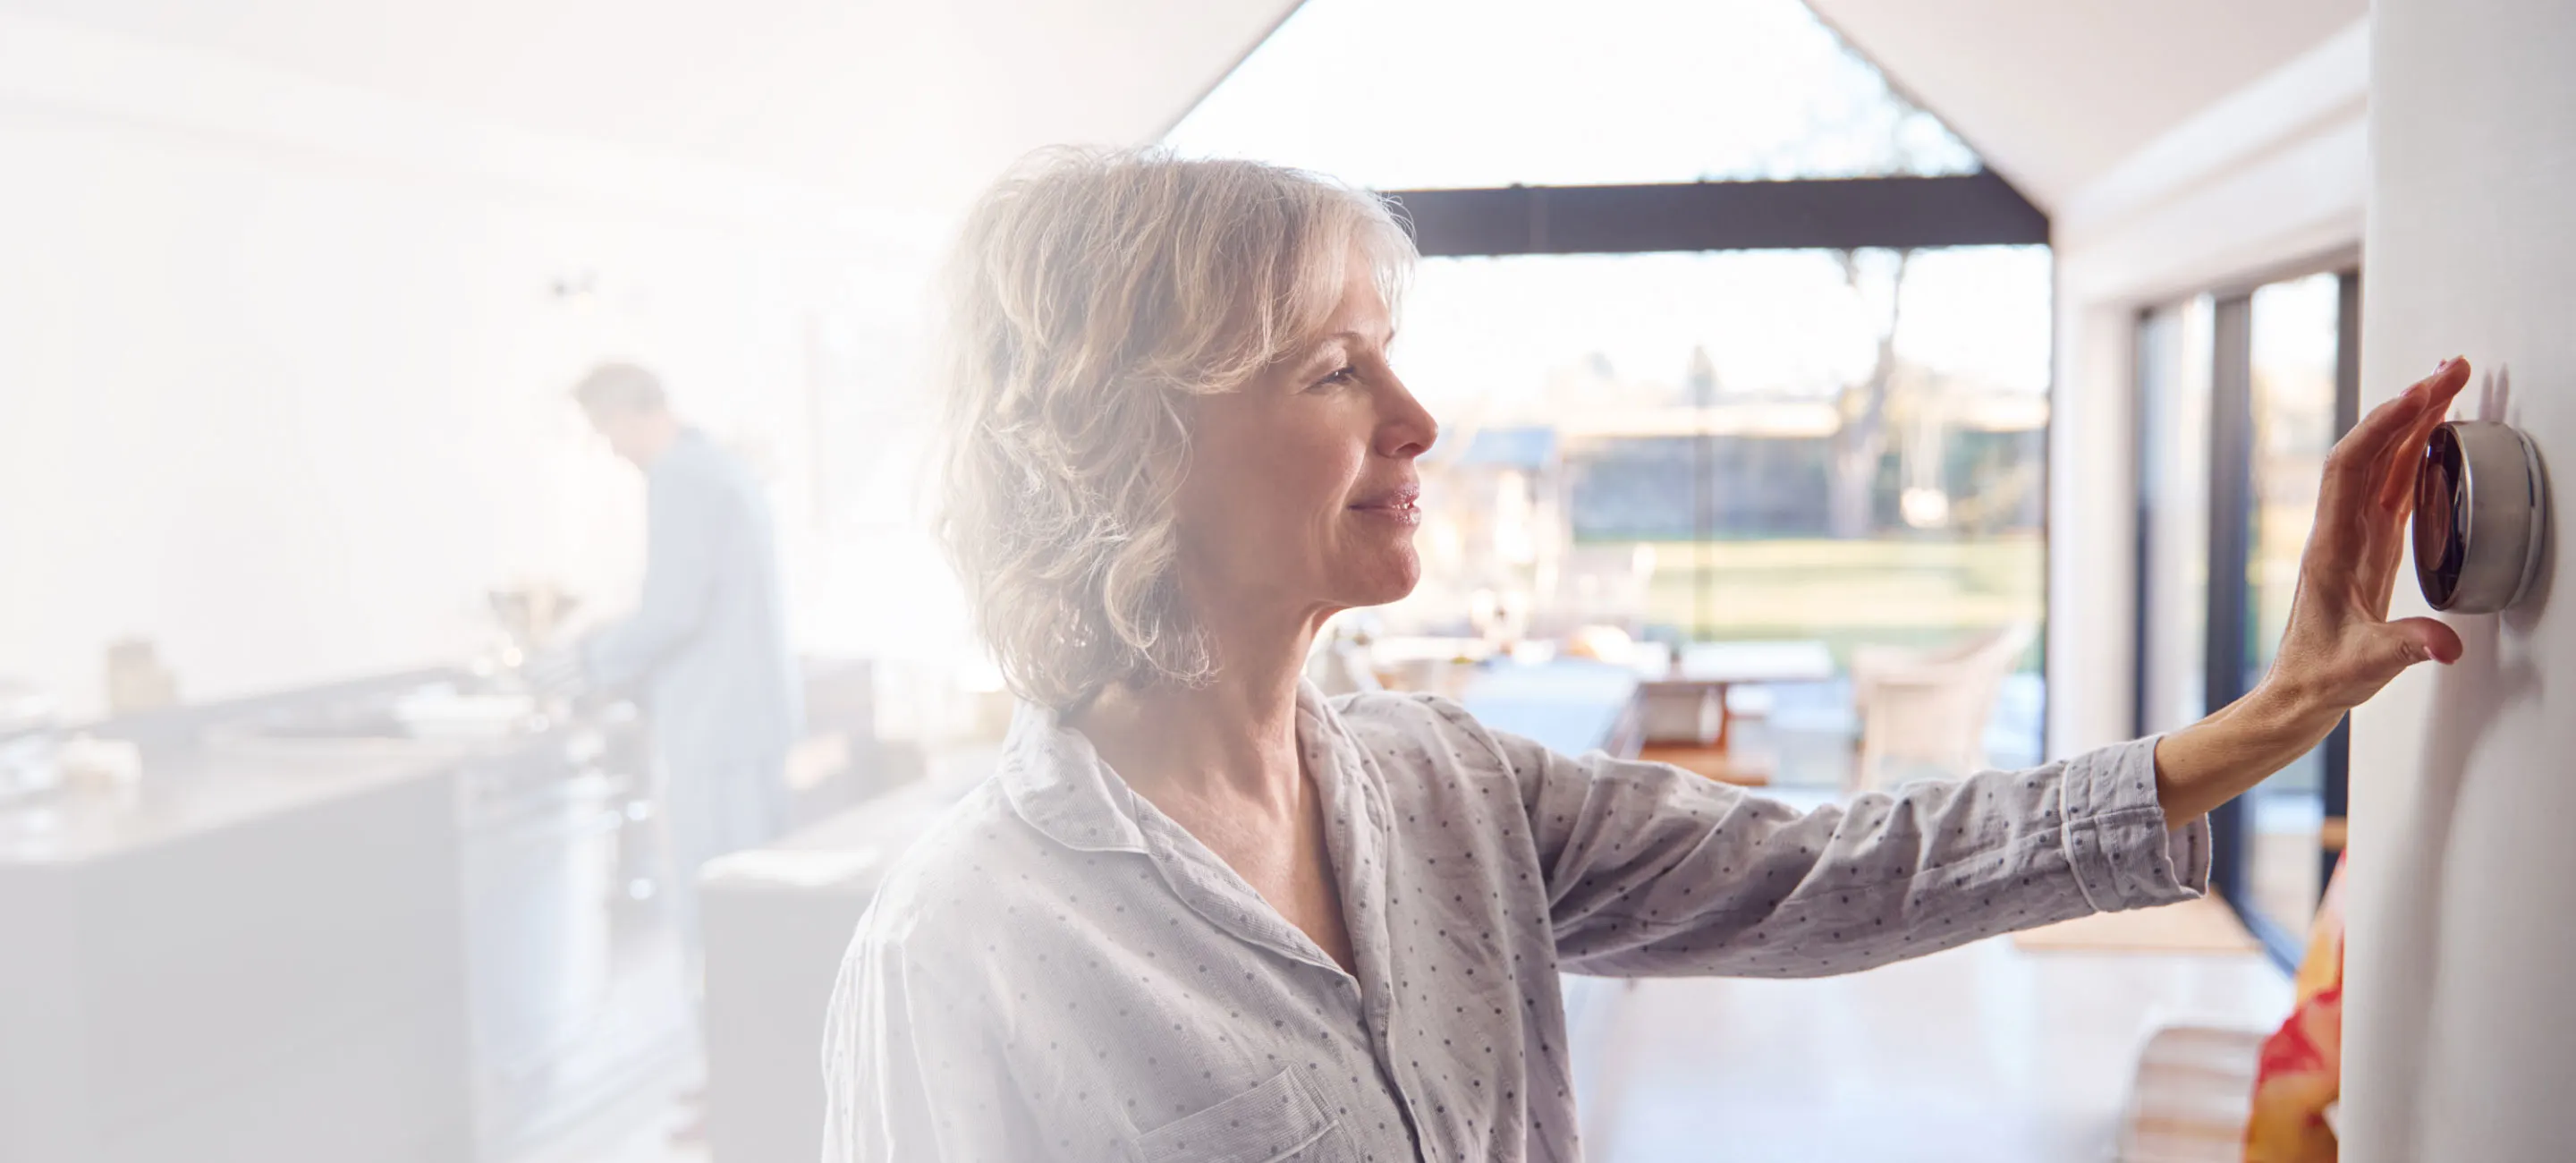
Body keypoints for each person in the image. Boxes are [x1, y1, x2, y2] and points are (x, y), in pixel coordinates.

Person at [820, 149, 2469, 1162]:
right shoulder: (970, 941)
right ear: (1128, 449)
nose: (1419, 421)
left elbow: (1838, 873)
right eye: (1334, 371)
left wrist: (2262, 726)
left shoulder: (1440, 783)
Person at [560, 362, 801, 961]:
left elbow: (671, 612)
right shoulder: (719, 467)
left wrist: (584, 659)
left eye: (605, 432)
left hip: (714, 726)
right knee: (756, 906)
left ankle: (728, 1048)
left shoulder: (679, 477)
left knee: (722, 918)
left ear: (624, 416)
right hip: (751, 719)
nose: (612, 452)